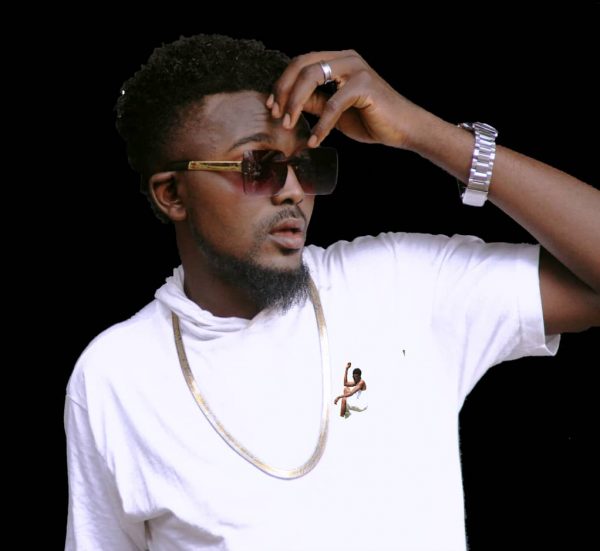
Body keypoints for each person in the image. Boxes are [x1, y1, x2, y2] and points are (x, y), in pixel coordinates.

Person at [64, 33, 599, 551]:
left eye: (307, 166)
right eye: (258, 167)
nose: (293, 190)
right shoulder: (117, 375)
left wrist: (422, 131)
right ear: (173, 194)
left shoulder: (400, 285)